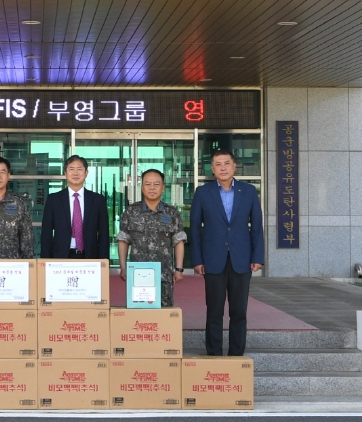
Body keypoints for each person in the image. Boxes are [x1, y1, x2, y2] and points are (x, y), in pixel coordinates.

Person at [190, 149, 265, 357]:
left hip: (242, 259)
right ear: (212, 169)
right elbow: (195, 228)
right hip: (213, 259)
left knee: (239, 312)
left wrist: (257, 257)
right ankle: (214, 354)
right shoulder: (203, 193)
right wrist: (197, 259)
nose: (222, 167)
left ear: (234, 166)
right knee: (214, 311)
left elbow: (257, 226)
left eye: (226, 163)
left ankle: (236, 355)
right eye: (217, 164)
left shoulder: (249, 191)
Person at [116, 169, 186, 307]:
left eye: (156, 184)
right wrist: (123, 268)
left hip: (163, 274)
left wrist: (179, 269)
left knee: (164, 313)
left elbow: (178, 242)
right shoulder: (131, 211)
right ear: (142, 187)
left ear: (163, 187)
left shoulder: (172, 213)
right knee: (138, 313)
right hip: (138, 273)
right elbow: (123, 240)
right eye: (148, 184)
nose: (152, 187)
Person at [40, 155, 110, 259]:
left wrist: (104, 261)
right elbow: (46, 233)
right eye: (71, 169)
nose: (75, 173)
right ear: (65, 173)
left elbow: (104, 233)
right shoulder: (53, 200)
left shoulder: (97, 200)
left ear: (86, 173)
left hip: (90, 256)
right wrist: (45, 261)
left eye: (79, 169)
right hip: (61, 256)